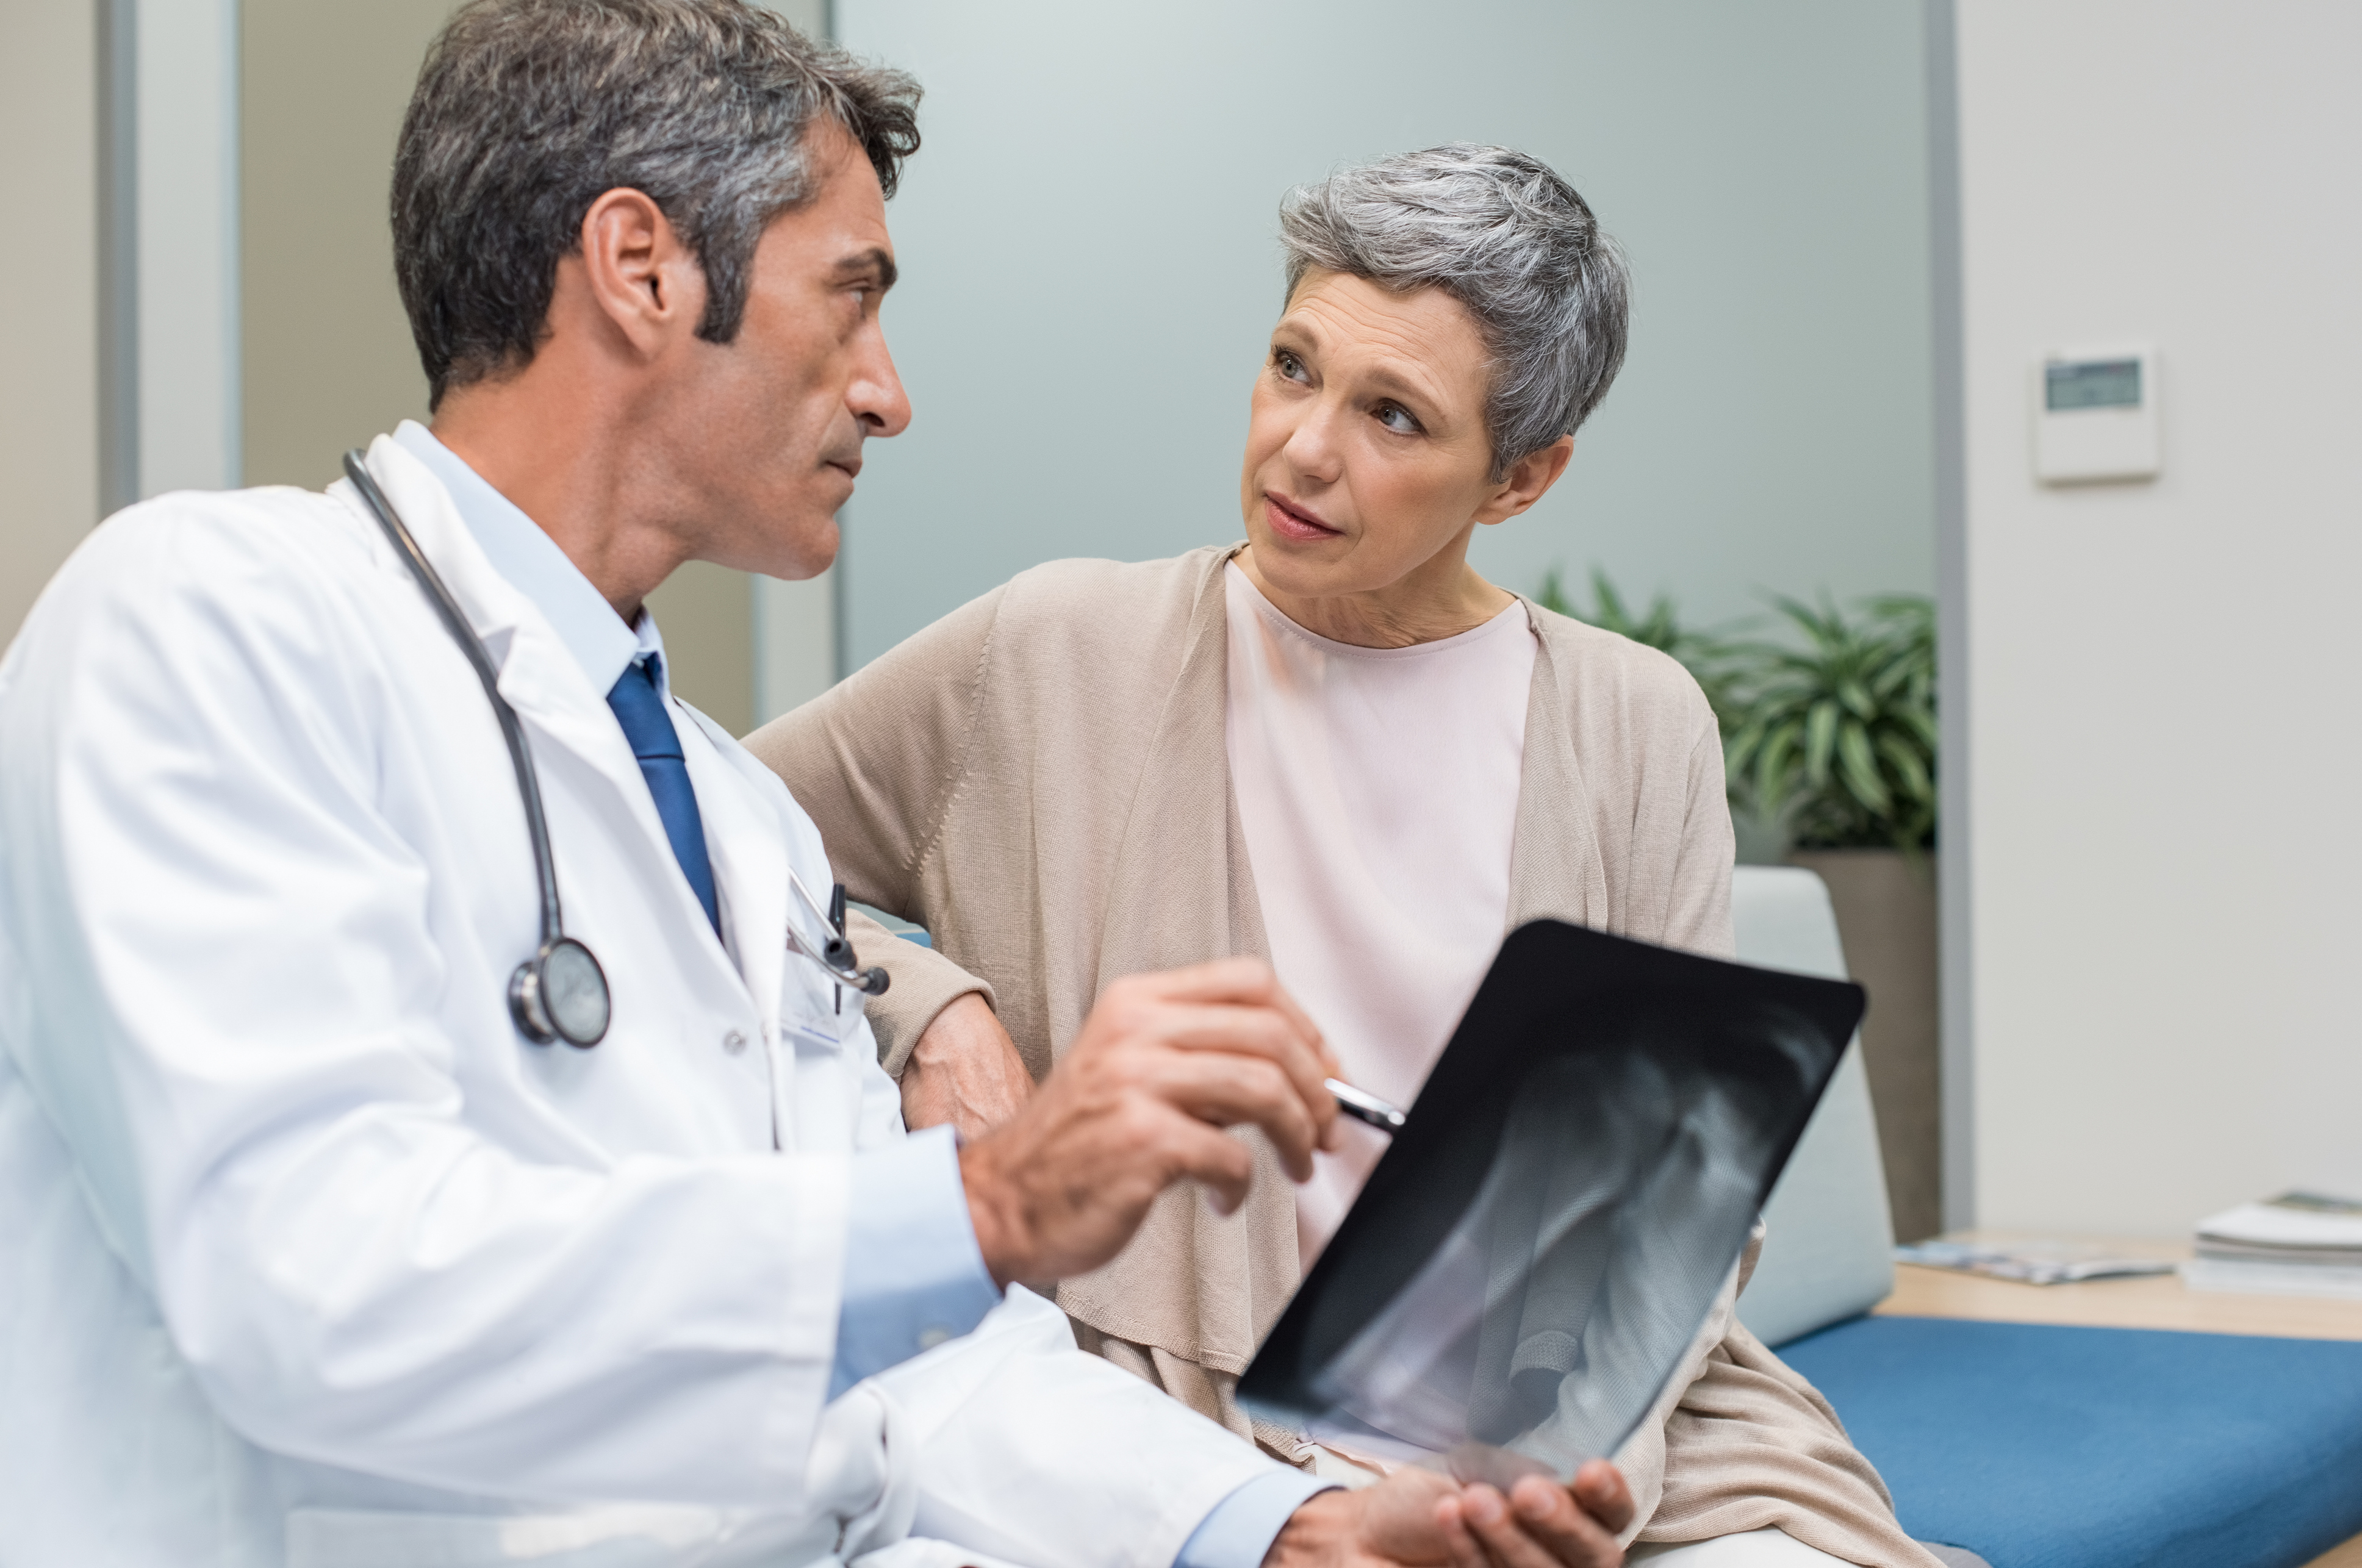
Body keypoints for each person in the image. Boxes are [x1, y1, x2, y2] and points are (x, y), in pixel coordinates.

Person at [0, 10, 1639, 1566]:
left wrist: (1275, 1527)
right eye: (848, 299)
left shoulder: (738, 819)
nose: (888, 389)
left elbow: (922, 1365)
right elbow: (315, 1292)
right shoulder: (212, 622)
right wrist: (991, 1195)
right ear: (642, 268)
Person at [749, 147, 1947, 1567]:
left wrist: (1536, 1476)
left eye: (1393, 415)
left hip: (1586, 1436)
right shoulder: (1053, 649)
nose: (1305, 447)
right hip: (1184, 1421)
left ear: (1522, 477)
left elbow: (1675, 1183)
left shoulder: (1634, 724)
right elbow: (696, 829)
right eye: (1292, 365)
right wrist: (920, 998)